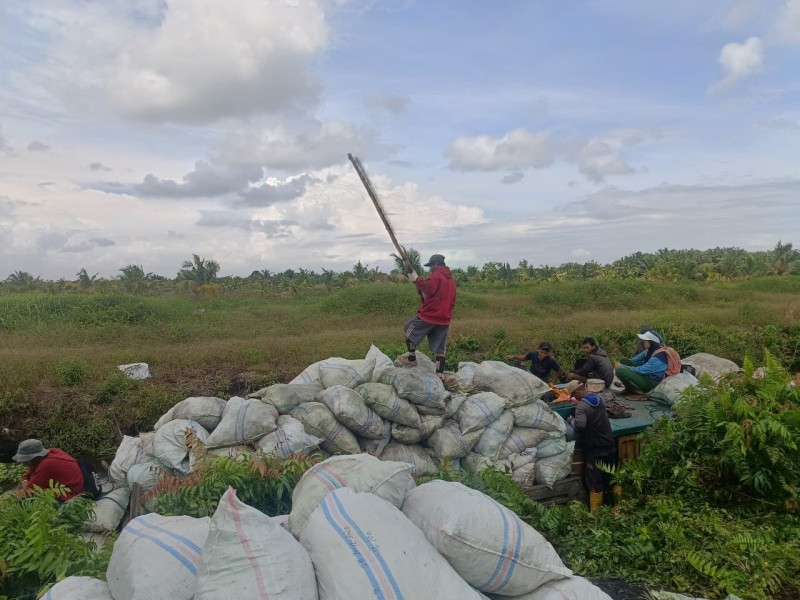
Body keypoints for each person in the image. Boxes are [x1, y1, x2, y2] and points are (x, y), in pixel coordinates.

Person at [400, 253, 457, 378]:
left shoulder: (437, 275)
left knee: (408, 329)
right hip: (444, 318)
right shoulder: (451, 281)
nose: (430, 268)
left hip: (430, 315)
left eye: (431, 266)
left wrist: (416, 279)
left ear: (436, 264)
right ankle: (440, 375)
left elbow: (429, 288)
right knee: (440, 348)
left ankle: (411, 358)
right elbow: (451, 301)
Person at [565, 381, 616, 510]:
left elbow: (580, 425)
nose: (574, 398)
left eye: (574, 395)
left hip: (594, 448)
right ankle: (616, 505)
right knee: (611, 476)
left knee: (594, 480)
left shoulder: (581, 406)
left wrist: (571, 420)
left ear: (577, 392)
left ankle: (596, 512)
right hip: (609, 444)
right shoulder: (599, 399)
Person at [12, 439, 85, 501]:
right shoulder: (52, 452)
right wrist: (25, 480)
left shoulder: (47, 465)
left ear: (35, 457)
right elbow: (29, 472)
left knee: (28, 499)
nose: (23, 462)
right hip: (68, 489)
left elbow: (30, 490)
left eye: (25, 460)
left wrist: (24, 486)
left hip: (71, 496)